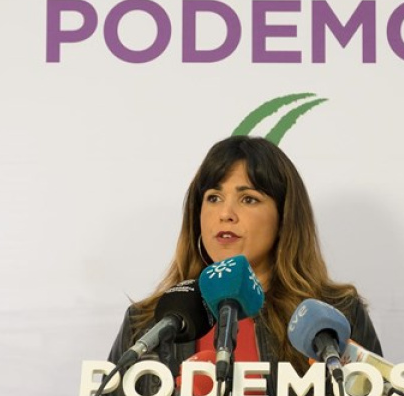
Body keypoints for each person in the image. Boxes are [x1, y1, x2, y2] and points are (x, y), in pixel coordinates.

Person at [107, 135, 382, 395]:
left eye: (248, 199)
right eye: (214, 198)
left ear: (283, 218)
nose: (226, 214)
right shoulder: (148, 324)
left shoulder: (337, 319)